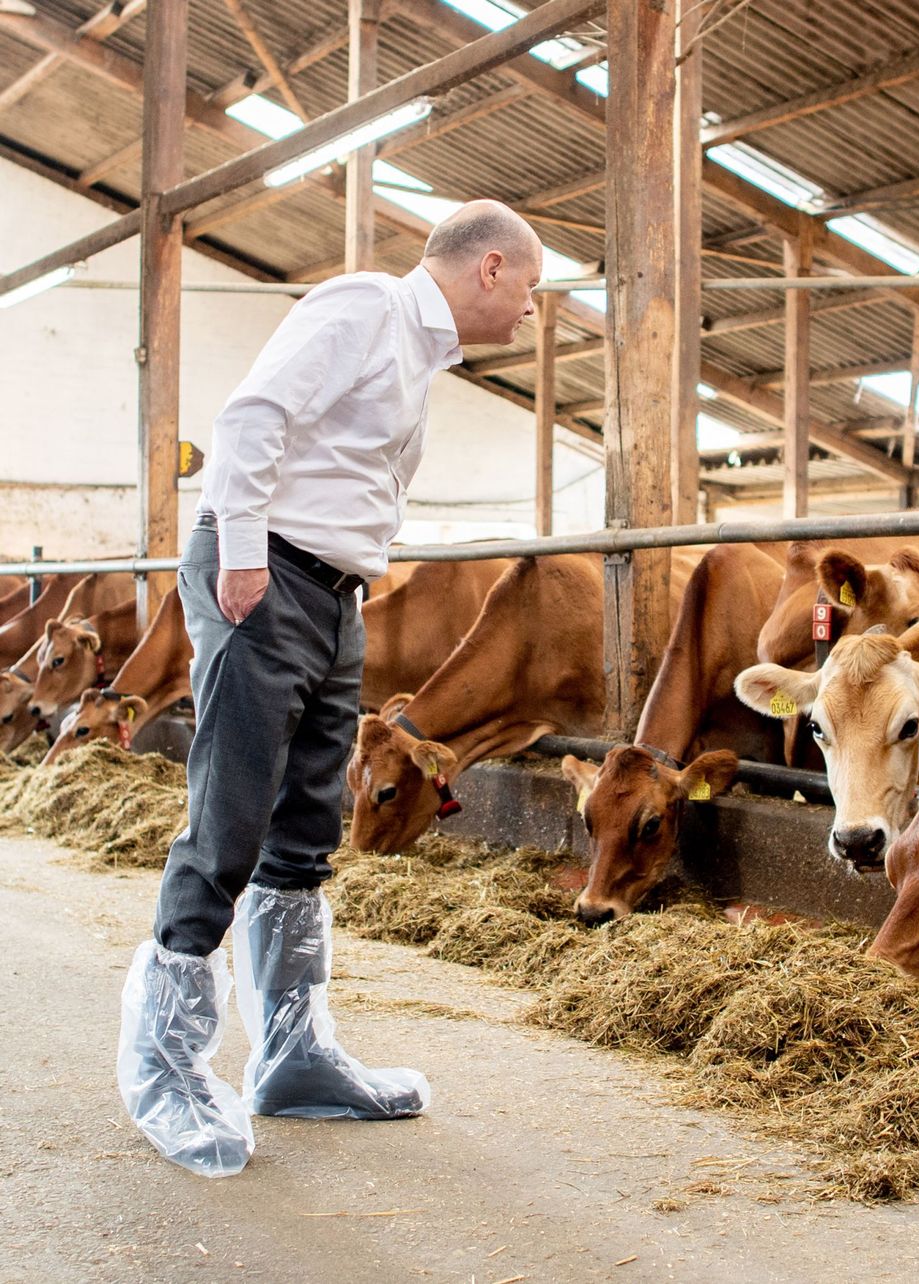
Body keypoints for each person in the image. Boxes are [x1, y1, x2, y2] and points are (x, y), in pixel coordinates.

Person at [116, 201, 545, 1178]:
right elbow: (253, 416)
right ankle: (165, 1063)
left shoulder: (418, 359)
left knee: (309, 820)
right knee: (230, 816)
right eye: (529, 287)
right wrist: (240, 548)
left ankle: (294, 1054)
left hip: (331, 593)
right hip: (266, 578)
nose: (529, 309)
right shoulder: (366, 309)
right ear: (488, 268)